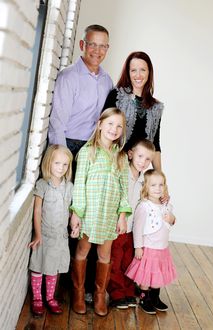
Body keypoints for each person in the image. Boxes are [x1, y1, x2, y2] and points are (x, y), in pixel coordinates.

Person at [48, 24, 113, 302]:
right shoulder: (68, 77)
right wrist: (61, 159)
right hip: (69, 148)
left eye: (103, 46)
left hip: (93, 151)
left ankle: (79, 285)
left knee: (85, 215)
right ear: (82, 46)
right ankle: (57, 281)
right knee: (66, 214)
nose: (98, 50)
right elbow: (57, 122)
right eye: (93, 44)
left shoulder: (107, 81)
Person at [70, 108, 132, 317]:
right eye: (110, 124)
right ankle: (78, 293)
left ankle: (99, 295)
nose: (114, 129)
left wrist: (122, 215)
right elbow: (79, 185)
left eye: (118, 126)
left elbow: (125, 188)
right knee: (82, 251)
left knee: (104, 255)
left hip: (109, 215)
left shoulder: (121, 157)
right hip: (89, 214)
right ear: (99, 124)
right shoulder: (88, 152)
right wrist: (77, 213)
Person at [108, 139, 155, 309]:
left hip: (134, 231)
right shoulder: (122, 173)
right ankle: (117, 293)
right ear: (130, 154)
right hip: (118, 227)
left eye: (148, 159)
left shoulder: (145, 180)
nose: (143, 161)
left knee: (129, 262)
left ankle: (128, 291)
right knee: (115, 260)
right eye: (140, 156)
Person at [28, 145, 73, 317]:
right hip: (45, 235)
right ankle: (37, 298)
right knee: (39, 266)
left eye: (65, 164)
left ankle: (50, 297)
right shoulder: (42, 185)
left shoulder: (69, 187)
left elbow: (69, 210)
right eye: (57, 163)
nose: (61, 168)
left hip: (60, 237)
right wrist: (37, 233)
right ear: (48, 163)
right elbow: (37, 210)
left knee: (53, 268)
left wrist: (74, 225)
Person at [125, 169, 176, 315]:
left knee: (158, 274)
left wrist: (171, 218)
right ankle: (144, 298)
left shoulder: (166, 205)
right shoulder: (144, 206)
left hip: (162, 248)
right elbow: (138, 228)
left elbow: (173, 221)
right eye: (153, 185)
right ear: (146, 187)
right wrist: (138, 247)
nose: (158, 188)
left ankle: (155, 297)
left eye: (161, 185)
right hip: (148, 248)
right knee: (146, 276)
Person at [103, 51, 163, 171]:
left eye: (143, 70)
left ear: (149, 72)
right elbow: (103, 130)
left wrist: (159, 175)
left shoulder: (156, 107)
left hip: (136, 170)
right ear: (128, 73)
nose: (138, 75)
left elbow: (155, 144)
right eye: (133, 70)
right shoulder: (116, 95)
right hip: (112, 165)